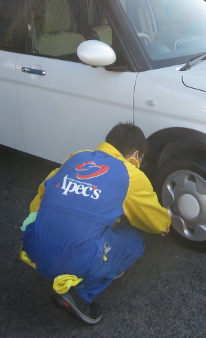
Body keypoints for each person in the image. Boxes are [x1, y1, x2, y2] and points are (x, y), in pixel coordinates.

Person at [20, 123, 171, 324]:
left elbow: (40, 198)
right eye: (141, 159)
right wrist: (166, 224)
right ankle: (81, 296)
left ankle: (85, 265)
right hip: (73, 260)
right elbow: (155, 222)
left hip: (32, 247)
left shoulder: (76, 157)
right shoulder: (130, 175)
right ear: (135, 154)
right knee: (134, 240)